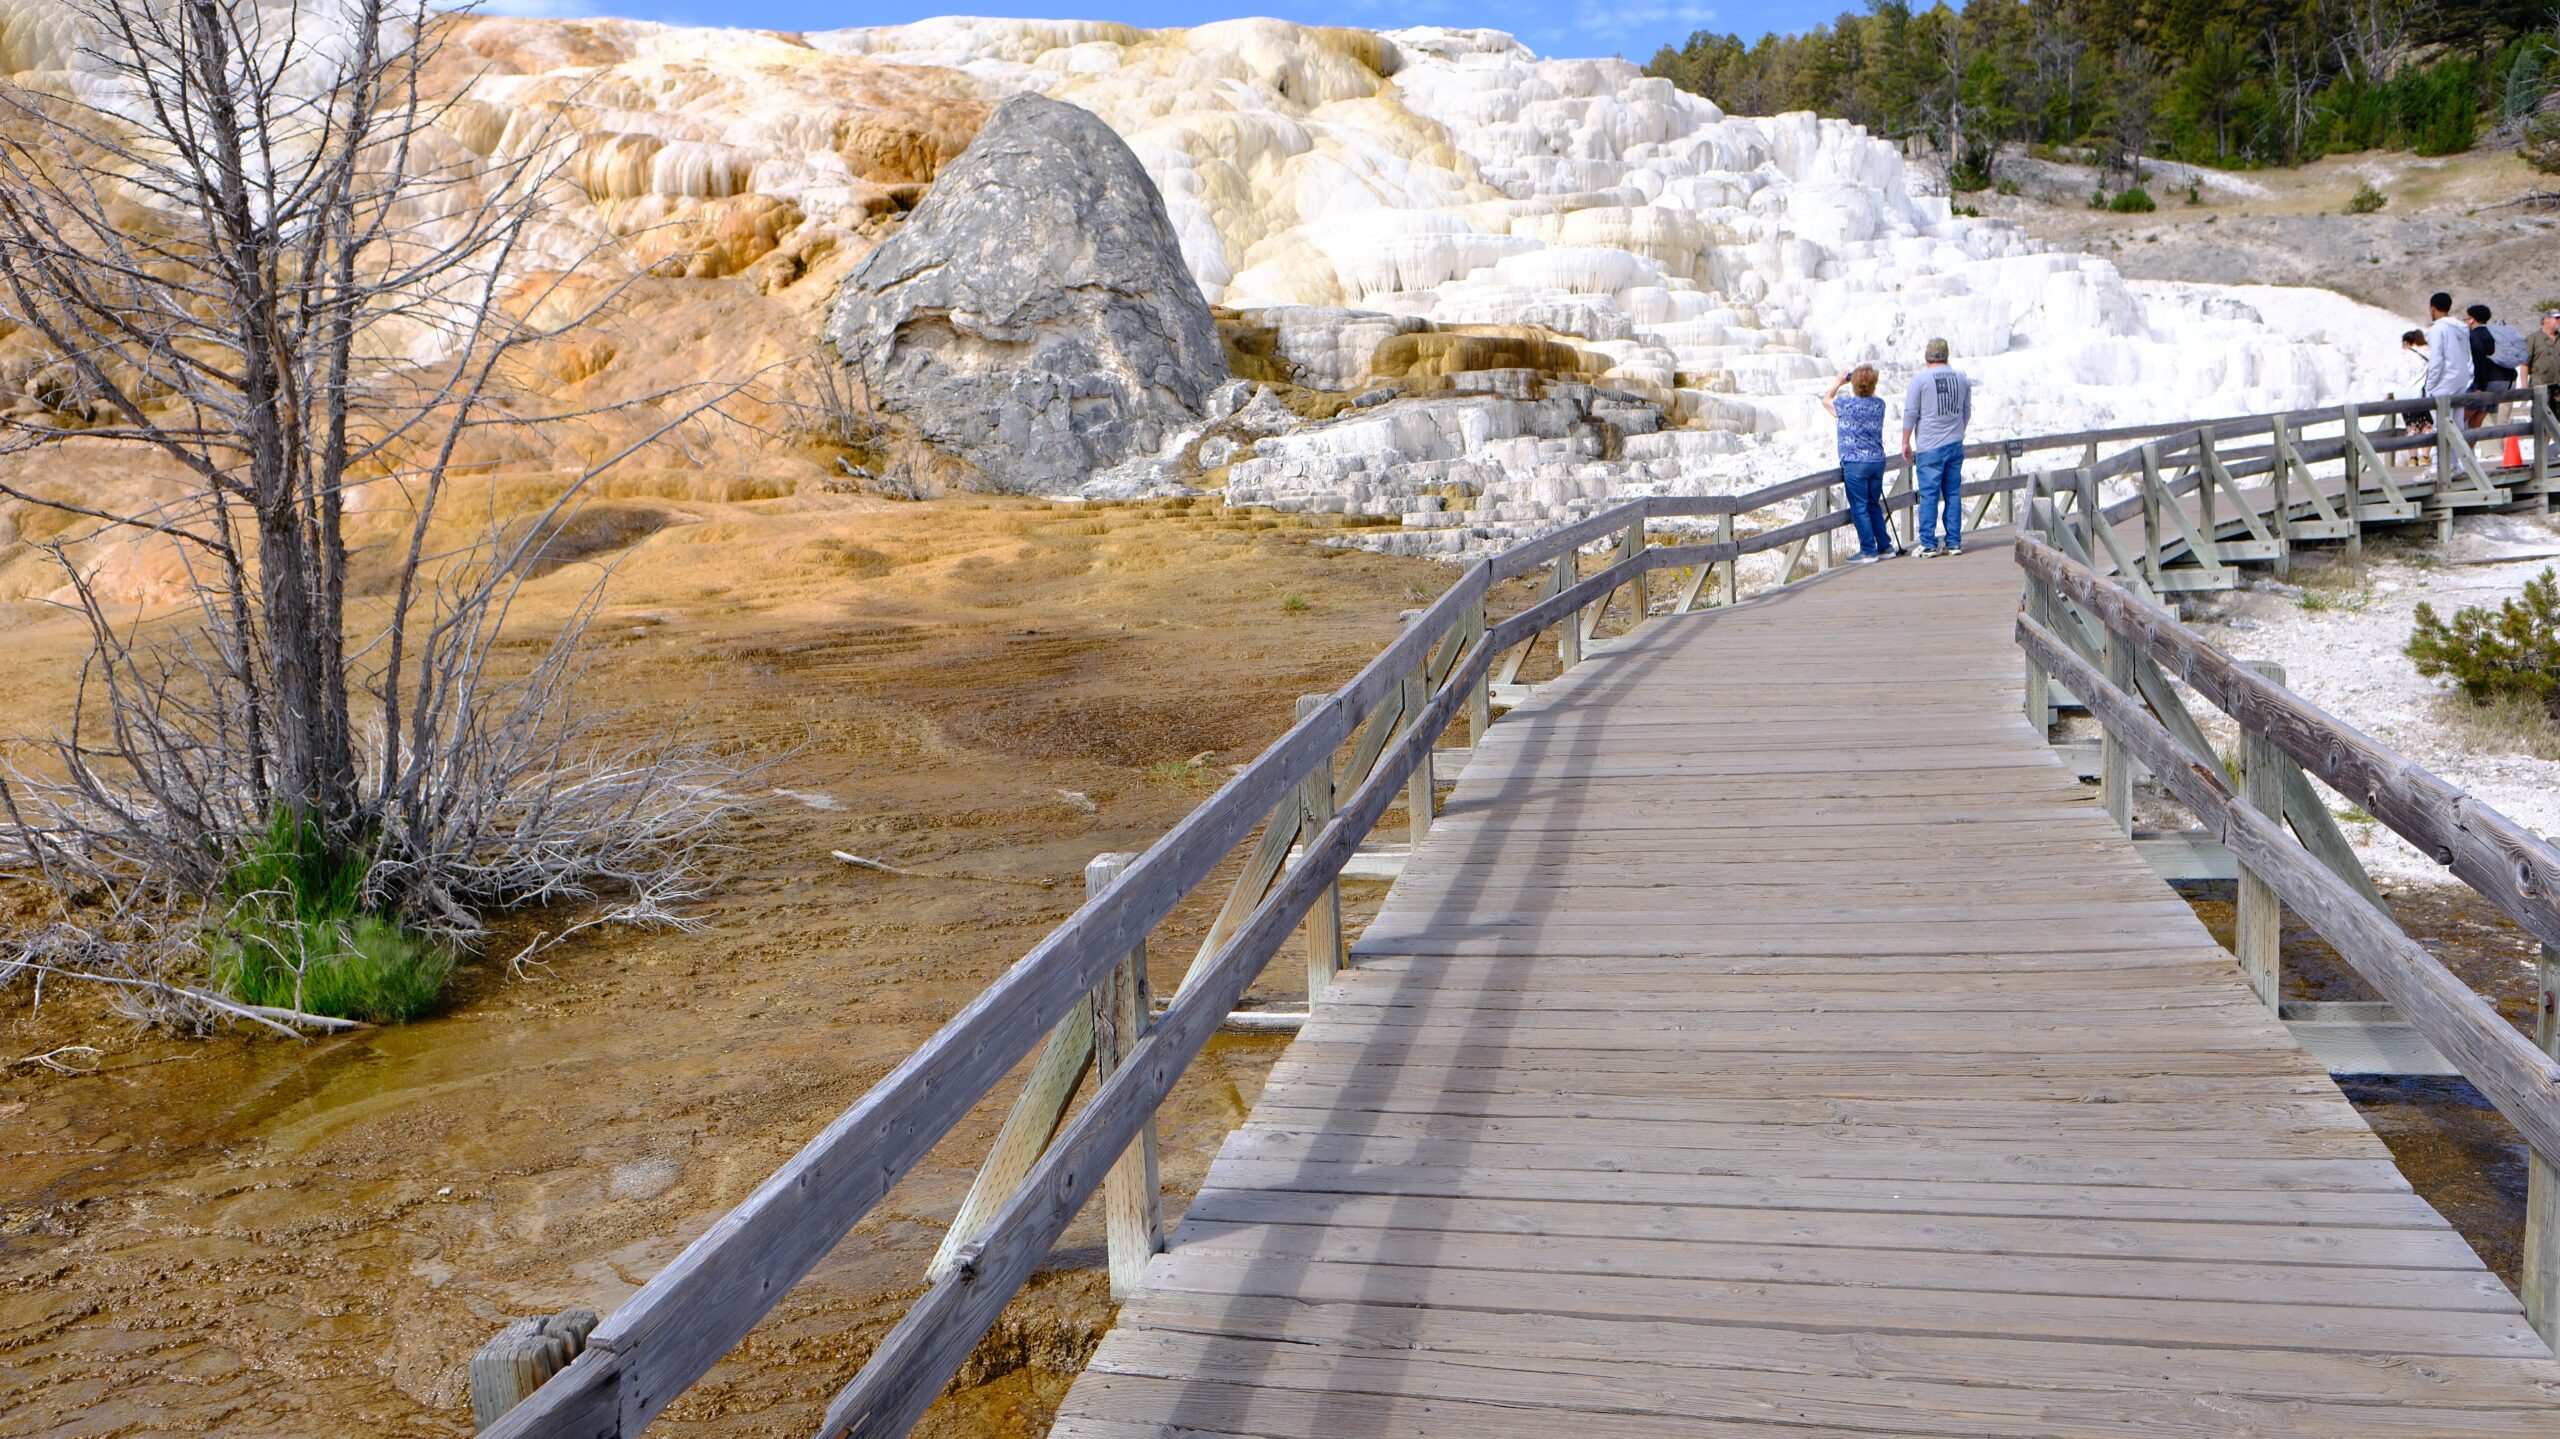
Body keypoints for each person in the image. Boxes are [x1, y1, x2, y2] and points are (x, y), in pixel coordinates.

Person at [1901, 337, 1972, 556]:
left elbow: (1911, 412)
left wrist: (1905, 441)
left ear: (1927, 357)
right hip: (1955, 443)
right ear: (1946, 356)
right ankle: (1954, 542)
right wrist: (1958, 432)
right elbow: (1966, 411)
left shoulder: (1920, 380)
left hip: (1929, 446)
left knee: (1929, 495)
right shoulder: (1961, 378)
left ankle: (1928, 543)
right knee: (1953, 493)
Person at [1821, 364, 1893, 561]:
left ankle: (1868, 550)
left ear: (1853, 384)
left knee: (1859, 506)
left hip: (1855, 463)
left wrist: (1838, 382)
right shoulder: (1880, 405)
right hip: (1877, 462)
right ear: (1874, 383)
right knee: (1873, 504)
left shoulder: (1846, 405)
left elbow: (1826, 400)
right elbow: (1870, 396)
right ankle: (1885, 547)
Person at [2421, 292, 2471, 402]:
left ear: (2432, 309)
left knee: (2441, 412)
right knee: (2458, 412)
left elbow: (2436, 359)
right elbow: (2467, 354)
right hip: (2462, 378)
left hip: (2445, 381)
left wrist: (2429, 386)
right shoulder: (2462, 328)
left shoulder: (2438, 328)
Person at [2527, 309, 2560, 394]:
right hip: (2540, 386)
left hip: (2558, 387)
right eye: (2556, 318)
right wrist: (2524, 387)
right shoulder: (2533, 338)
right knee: (2541, 403)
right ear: (2546, 320)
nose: (2559, 321)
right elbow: (2525, 364)